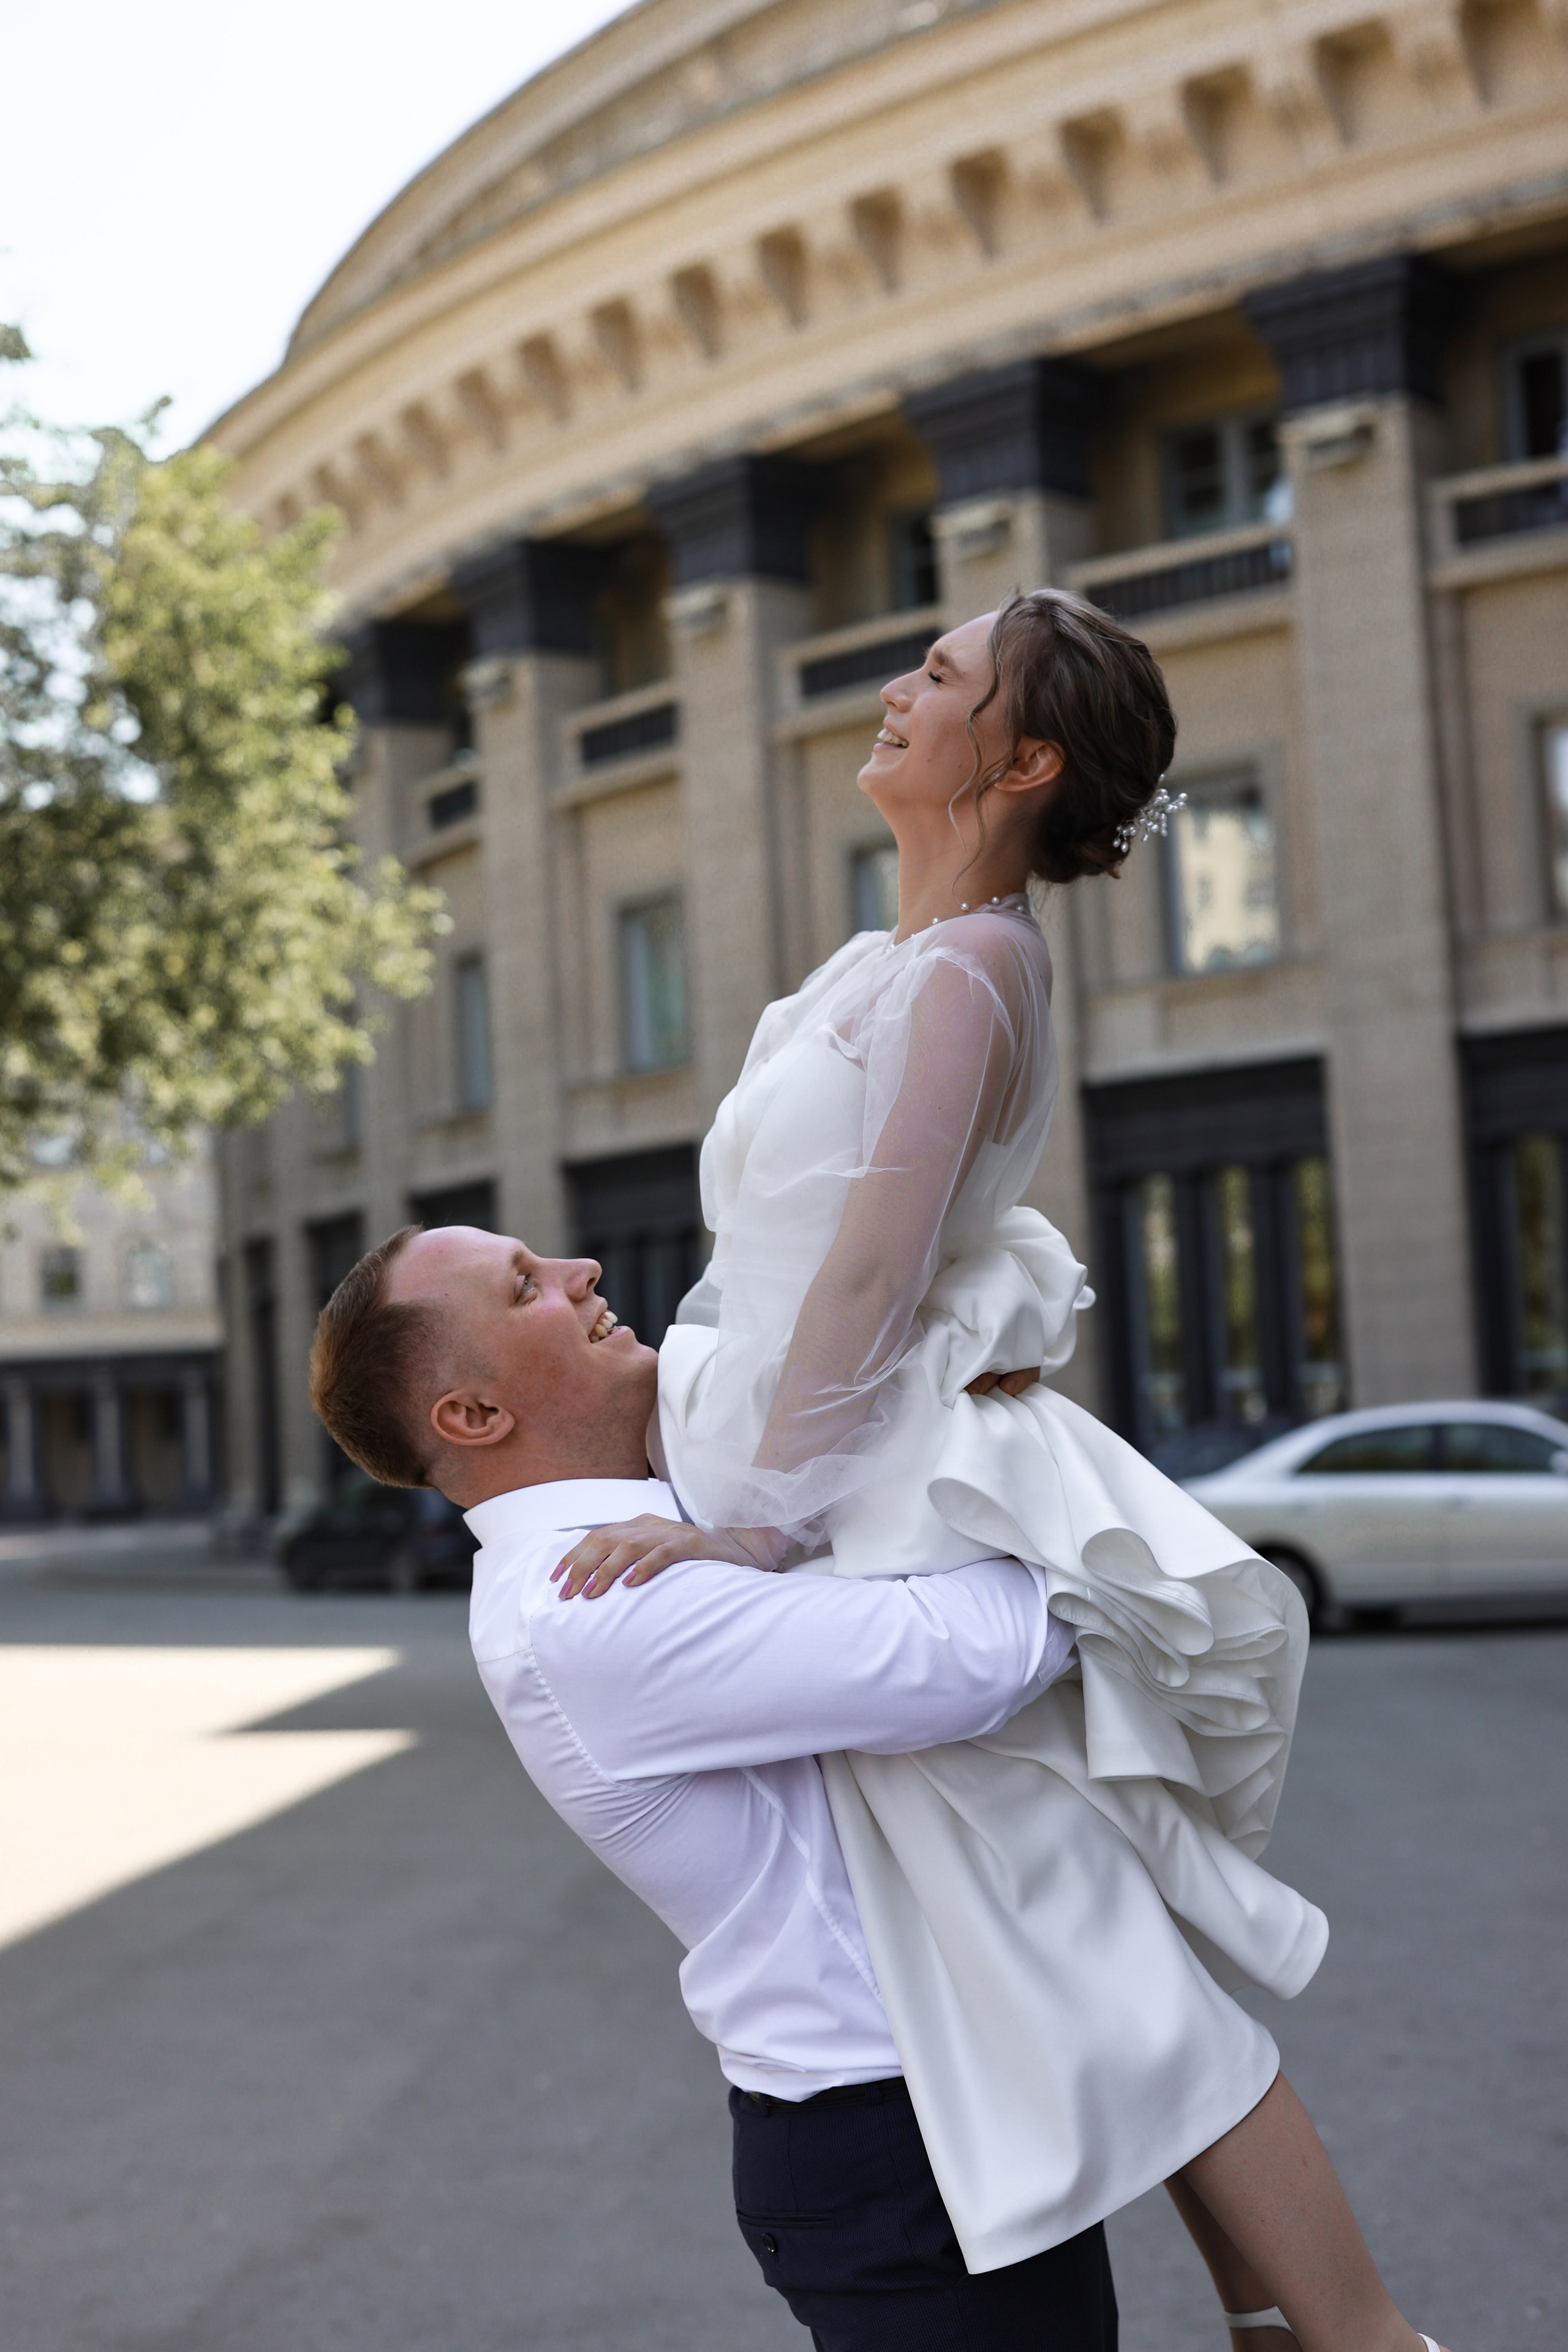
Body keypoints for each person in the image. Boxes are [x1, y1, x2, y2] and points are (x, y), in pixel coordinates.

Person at [545, 592, 1452, 2352]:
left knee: (1088, 1925)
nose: (899, 688)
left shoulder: (974, 967)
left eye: (943, 678)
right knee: (1067, 1937)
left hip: (874, 1511)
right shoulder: (890, 963)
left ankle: (1358, 2338)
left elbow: (881, 1264)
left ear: (1023, 762)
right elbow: (849, 1262)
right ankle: (1296, 2329)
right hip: (848, 1487)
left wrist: (759, 1521)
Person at [310, 1229, 1118, 2351]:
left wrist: (941, 1402)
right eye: (523, 1287)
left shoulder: (663, 1520)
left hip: (925, 2115)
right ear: (475, 1417)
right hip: (896, 2142)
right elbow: (992, 1647)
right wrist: (1011, 1464)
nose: (580, 1271)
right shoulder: (595, 1599)